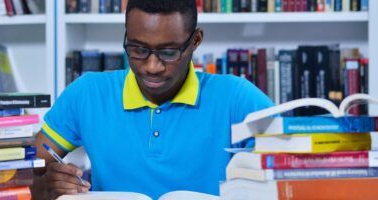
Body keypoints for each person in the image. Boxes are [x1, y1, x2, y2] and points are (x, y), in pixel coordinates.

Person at [32, 0, 273, 199]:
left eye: (168, 52)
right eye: (138, 50)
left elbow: (300, 168)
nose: (152, 66)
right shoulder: (87, 93)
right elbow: (19, 175)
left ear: (196, 41)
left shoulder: (237, 98)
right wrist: (46, 187)